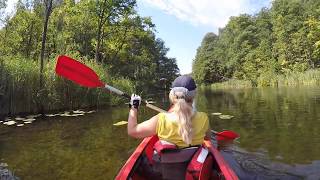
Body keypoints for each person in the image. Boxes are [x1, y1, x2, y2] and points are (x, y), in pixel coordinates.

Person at [127, 75, 210, 148]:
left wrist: (134, 107)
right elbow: (207, 138)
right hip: (193, 165)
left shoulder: (161, 119)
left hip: (168, 166)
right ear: (194, 95)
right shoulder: (204, 118)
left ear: (172, 95)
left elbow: (132, 131)